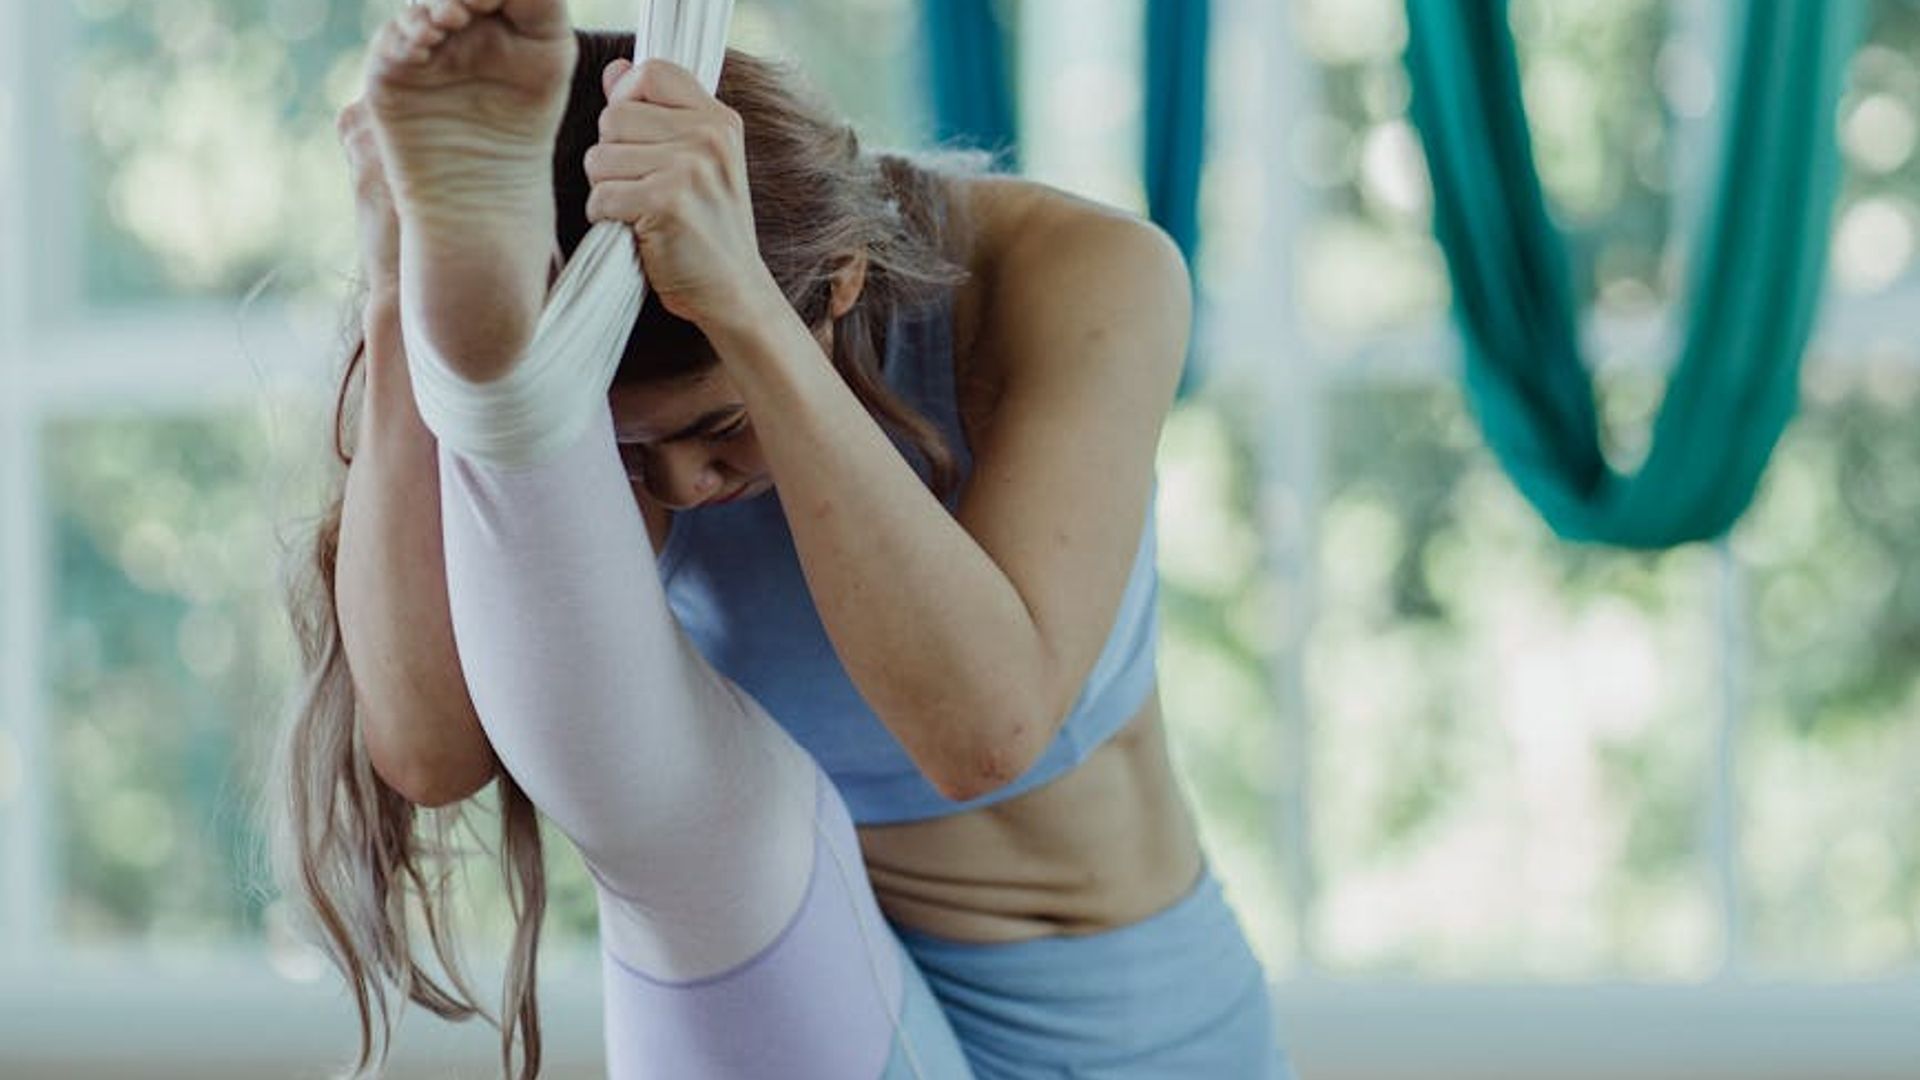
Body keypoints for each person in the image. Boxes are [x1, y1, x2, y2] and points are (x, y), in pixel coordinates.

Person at [275, 0, 1287, 1076]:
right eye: (627, 454)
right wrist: (397, 292)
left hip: (1144, 1028)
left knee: (698, 840)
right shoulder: (626, 421)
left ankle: (502, 372)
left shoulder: (1080, 273)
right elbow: (432, 753)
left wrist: (745, 306)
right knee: (690, 840)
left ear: (841, 279)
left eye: (717, 427)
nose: (681, 486)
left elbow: (982, 736)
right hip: (795, 976)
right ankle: (491, 365)